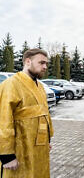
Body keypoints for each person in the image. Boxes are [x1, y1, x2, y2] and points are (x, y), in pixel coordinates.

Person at [0, 48, 54, 178]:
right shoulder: (11, 84)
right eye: (41, 63)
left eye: (46, 63)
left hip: (39, 146)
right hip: (20, 149)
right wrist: (6, 154)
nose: (45, 66)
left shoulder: (40, 86)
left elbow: (43, 114)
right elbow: (3, 120)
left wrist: (47, 139)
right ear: (28, 61)